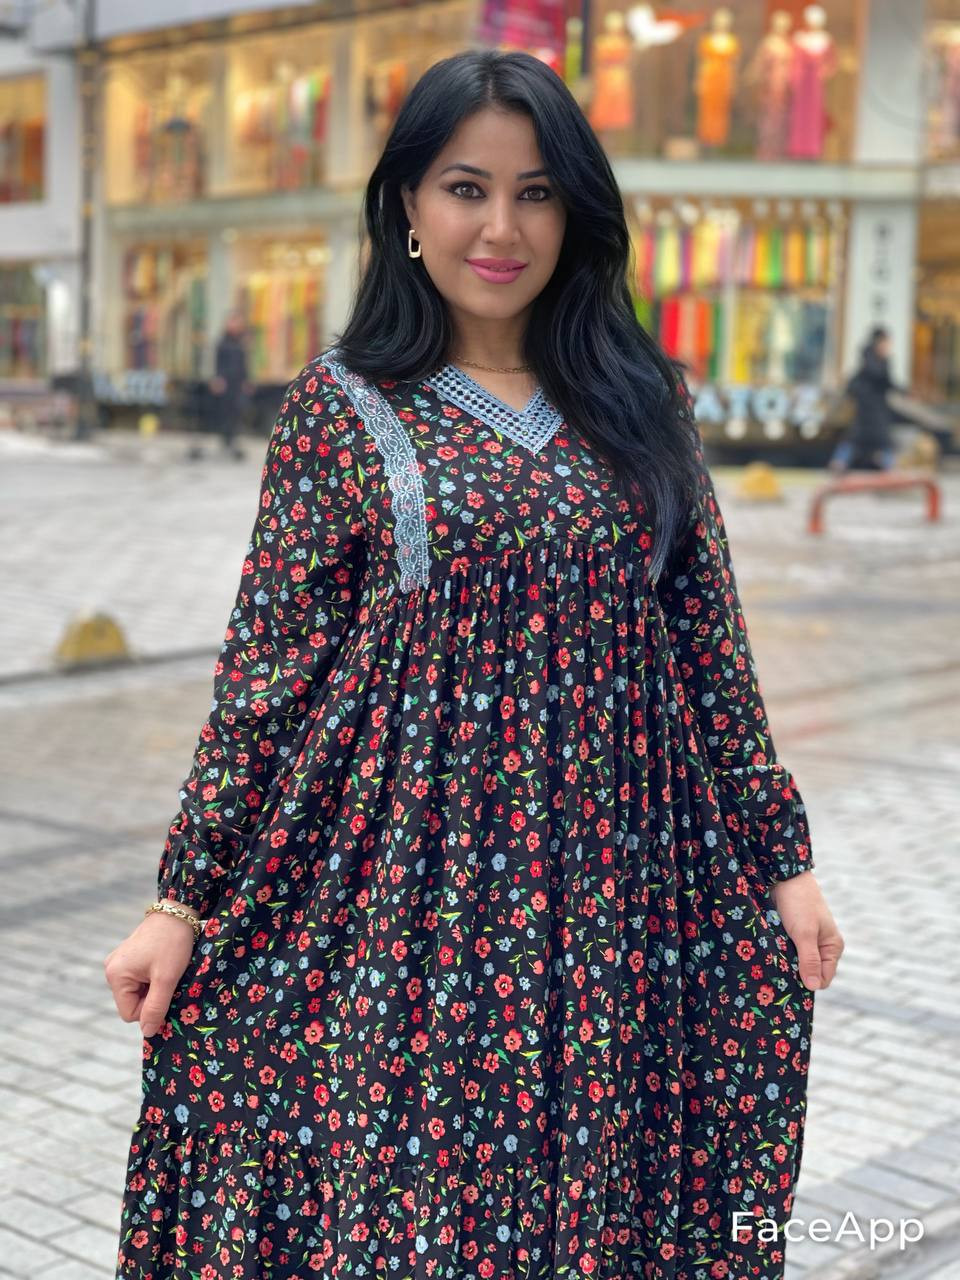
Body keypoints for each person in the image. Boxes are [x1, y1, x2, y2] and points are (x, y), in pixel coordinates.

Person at [105, 49, 844, 1280]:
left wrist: (786, 862)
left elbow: (708, 643)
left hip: (618, 890)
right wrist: (181, 901)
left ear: (576, 212)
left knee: (601, 1193)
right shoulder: (342, 406)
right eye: (467, 188)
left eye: (537, 193)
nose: (502, 228)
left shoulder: (641, 399)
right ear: (407, 203)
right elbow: (267, 678)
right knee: (414, 1203)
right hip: (411, 899)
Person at [829, 326, 903, 473]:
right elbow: (881, 380)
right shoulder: (875, 363)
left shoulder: (873, 360)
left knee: (862, 441)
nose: (888, 347)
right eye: (886, 342)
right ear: (878, 342)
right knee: (879, 442)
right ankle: (890, 471)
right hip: (870, 412)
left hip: (872, 412)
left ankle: (839, 463)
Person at [200, 309, 252, 461]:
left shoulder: (242, 342)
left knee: (237, 411)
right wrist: (217, 379)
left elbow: (244, 364)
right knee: (225, 411)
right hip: (225, 382)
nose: (236, 325)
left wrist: (246, 380)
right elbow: (218, 363)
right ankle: (226, 440)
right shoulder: (222, 342)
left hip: (237, 383)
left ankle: (233, 439)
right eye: (233, 322)